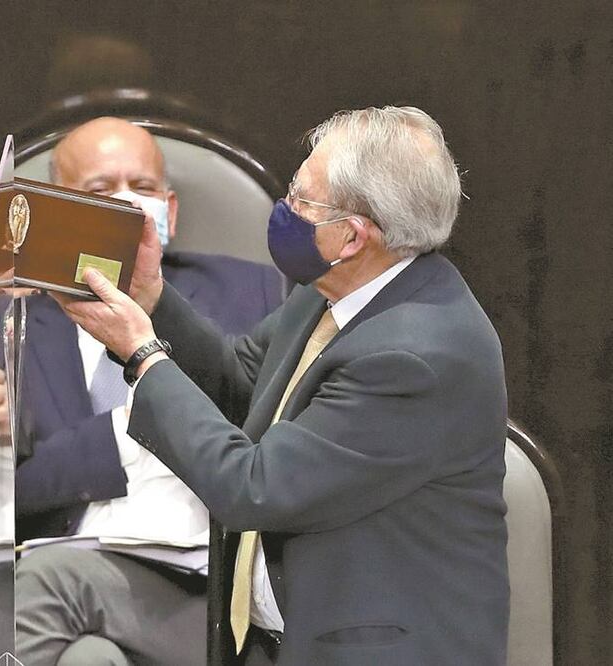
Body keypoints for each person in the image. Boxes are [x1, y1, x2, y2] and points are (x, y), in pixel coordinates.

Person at [61, 106, 509, 665]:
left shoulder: (416, 355)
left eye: (302, 200)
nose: (285, 211)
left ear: (351, 236)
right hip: (273, 643)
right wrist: (152, 297)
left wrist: (143, 356)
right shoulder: (332, 292)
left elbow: (254, 488)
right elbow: (245, 390)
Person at [12, 117, 283, 665]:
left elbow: (270, 431)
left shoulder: (252, 290)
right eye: (100, 191)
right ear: (57, 210)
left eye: (143, 188)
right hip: (79, 565)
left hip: (212, 582)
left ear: (171, 209)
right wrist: (128, 432)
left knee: (45, 587)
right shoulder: (12, 320)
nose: (127, 206)